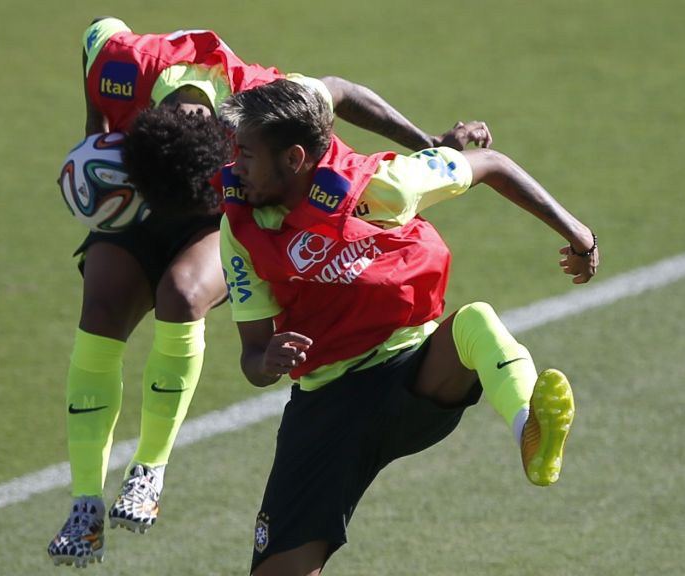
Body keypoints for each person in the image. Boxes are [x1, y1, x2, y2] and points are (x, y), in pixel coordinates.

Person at [48, 16, 494, 568]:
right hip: (137, 193)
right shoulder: (122, 61)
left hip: (213, 216)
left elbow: (340, 92)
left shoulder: (254, 96)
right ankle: (85, 503)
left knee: (181, 296)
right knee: (99, 312)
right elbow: (95, 38)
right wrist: (93, 135)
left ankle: (149, 469)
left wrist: (428, 145)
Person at [216, 79, 599, 575]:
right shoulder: (243, 230)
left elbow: (492, 164)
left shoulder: (385, 185)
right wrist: (267, 361)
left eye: (246, 154)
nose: (235, 166)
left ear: (293, 159)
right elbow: (252, 358)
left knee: (475, 321)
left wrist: (580, 236)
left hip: (413, 374)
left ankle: (530, 428)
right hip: (327, 407)